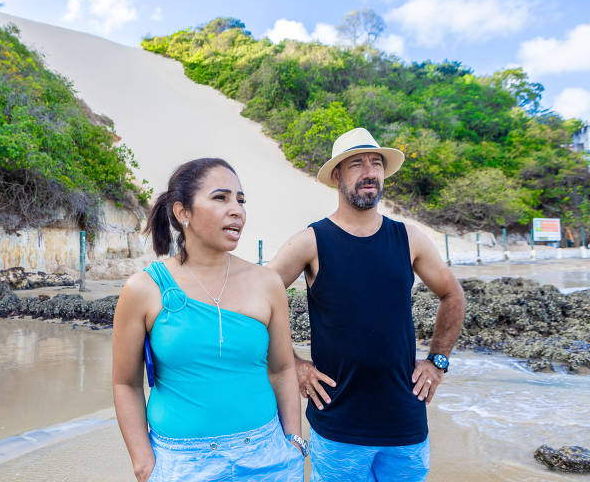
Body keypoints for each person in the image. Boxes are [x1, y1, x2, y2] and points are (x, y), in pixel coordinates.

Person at [269, 128, 465, 482]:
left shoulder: (408, 238)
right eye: (356, 164)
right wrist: (293, 364)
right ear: (337, 176)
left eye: (376, 163)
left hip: (405, 421)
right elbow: (259, 300)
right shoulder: (311, 241)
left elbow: (452, 294)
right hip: (338, 422)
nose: (370, 171)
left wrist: (438, 361)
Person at [112, 158, 305, 482]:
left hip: (268, 458)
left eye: (240, 200)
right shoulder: (143, 289)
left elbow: (283, 369)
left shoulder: (267, 283)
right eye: (221, 197)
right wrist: (143, 461)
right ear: (182, 212)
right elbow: (125, 383)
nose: (237, 210)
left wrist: (294, 444)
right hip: (181, 464)